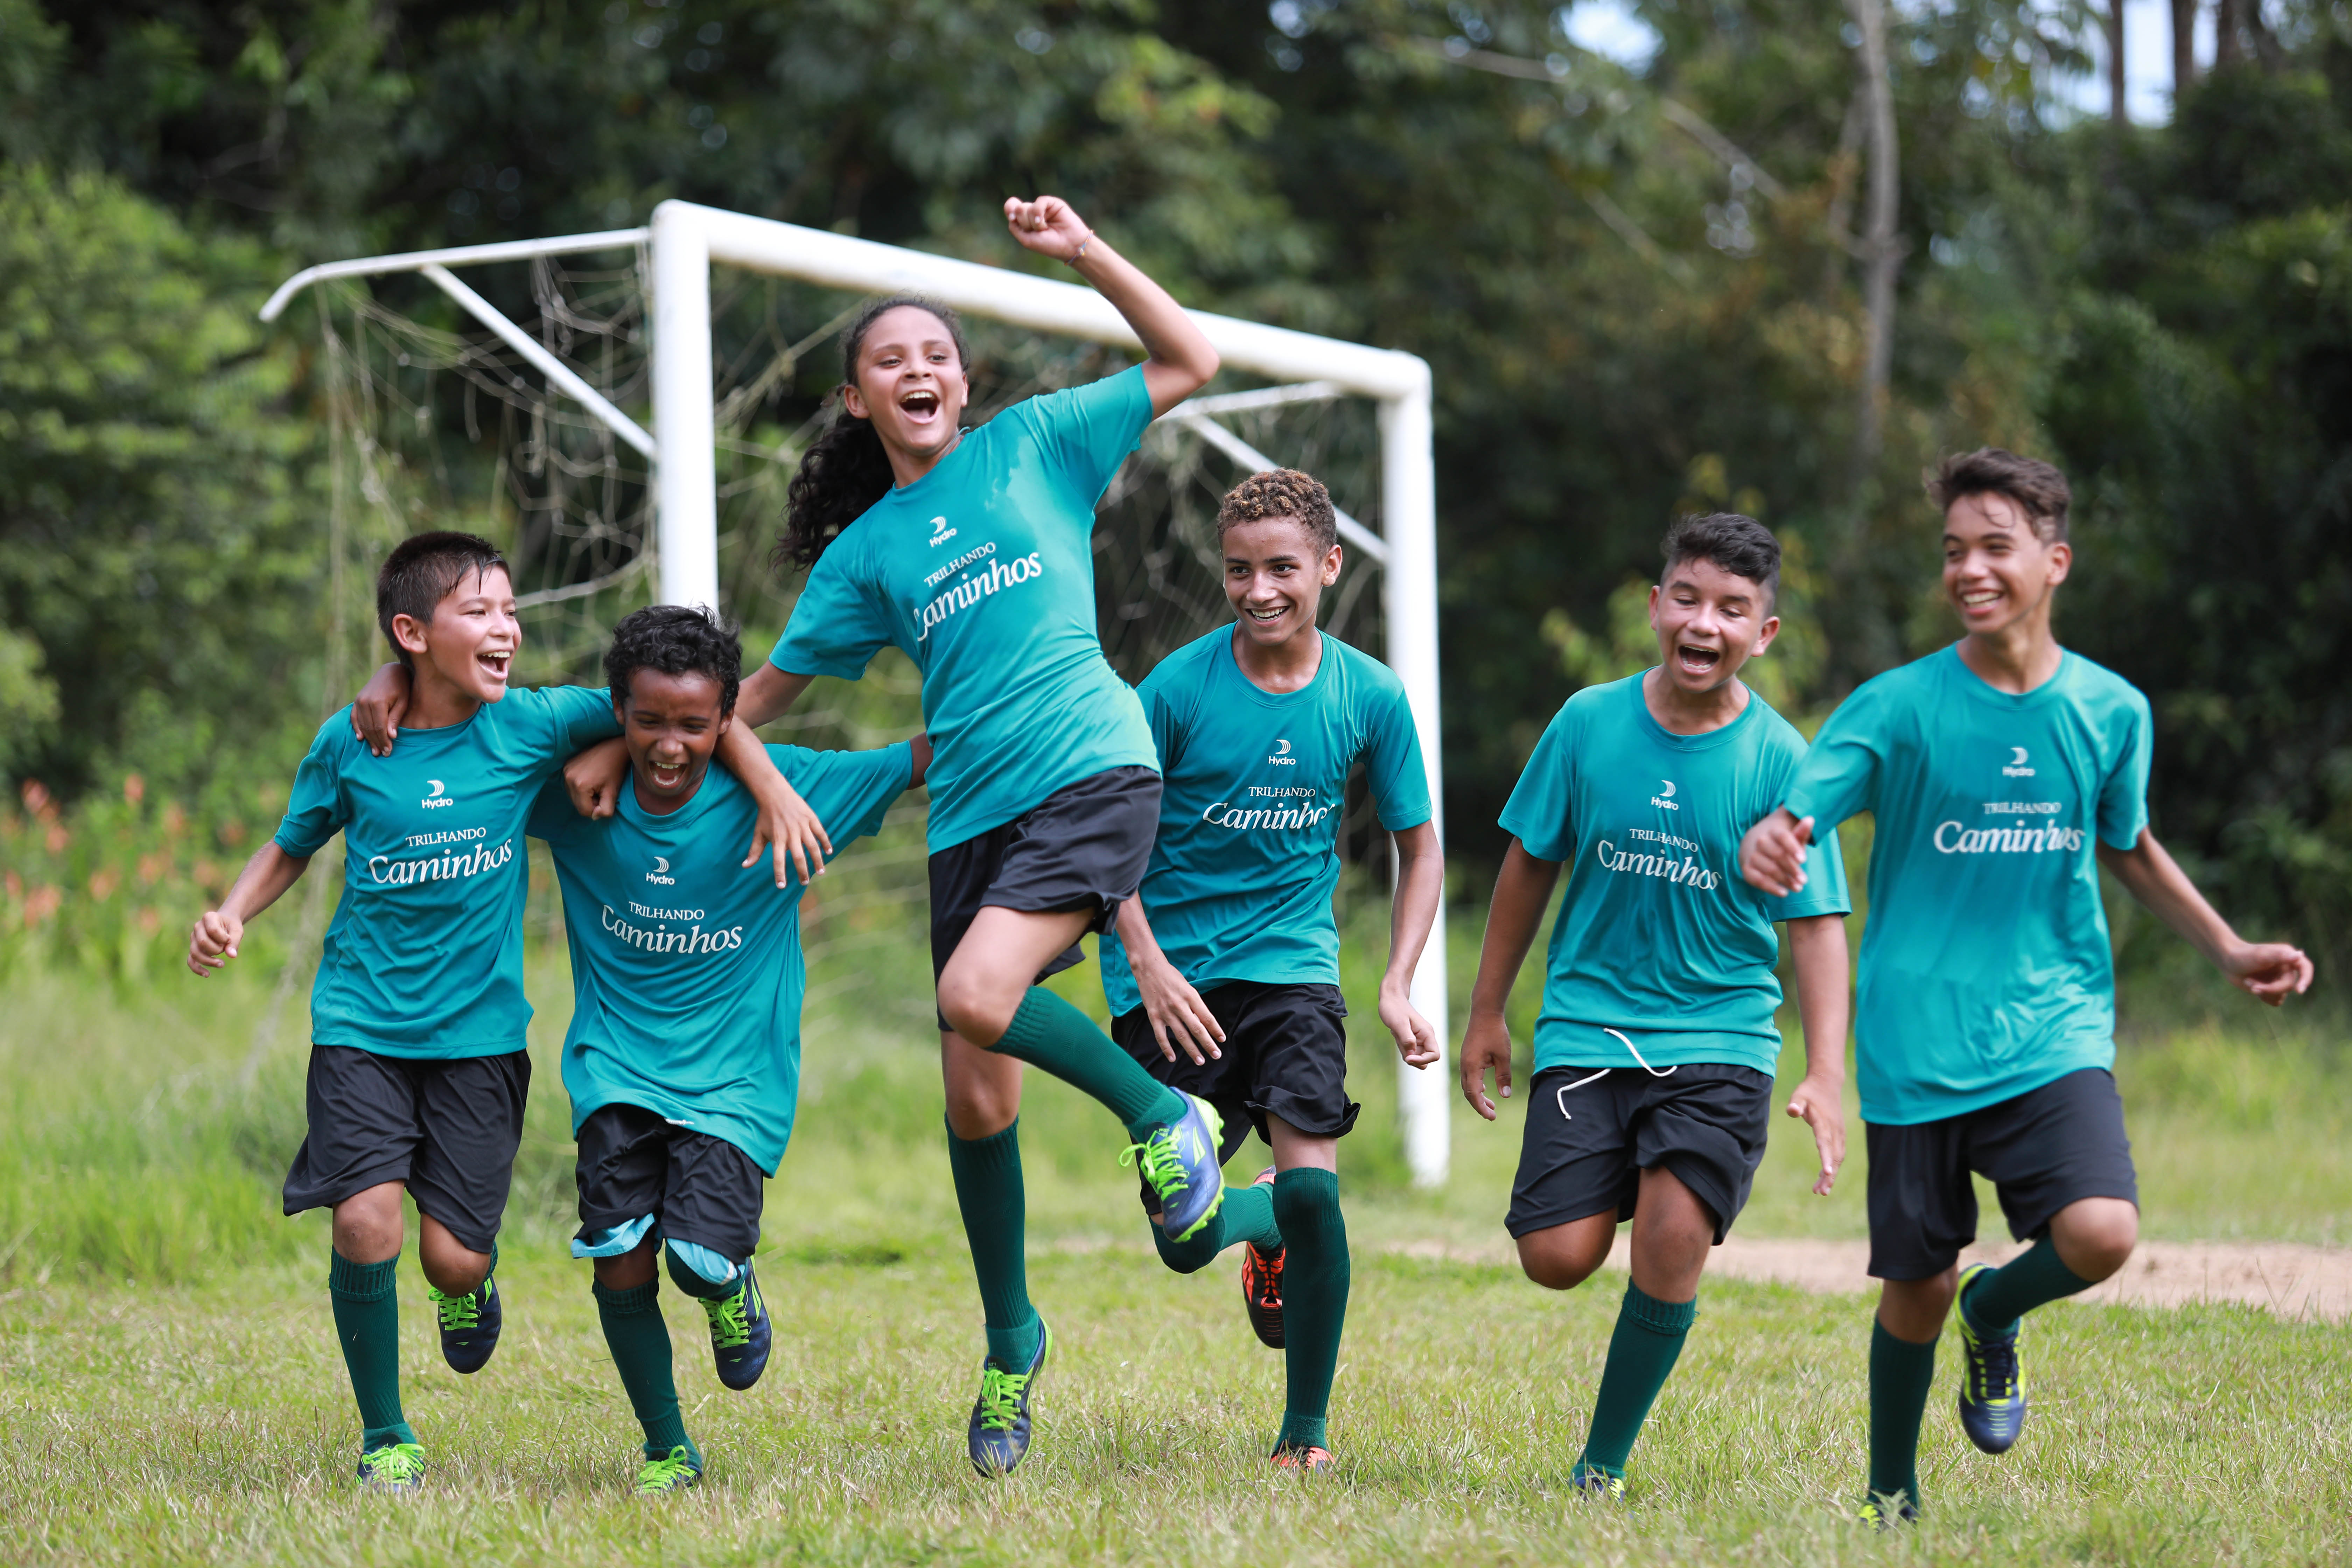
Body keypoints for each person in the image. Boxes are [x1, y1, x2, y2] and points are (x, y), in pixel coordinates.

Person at [564, 195, 1226, 1476]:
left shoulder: (1042, 441)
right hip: (969, 813)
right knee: (978, 1104)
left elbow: (1190, 361)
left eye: (935, 352)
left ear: (964, 382)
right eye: (888, 360)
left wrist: (1085, 253)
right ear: (859, 401)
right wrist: (627, 741)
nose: (917, 368)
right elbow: (748, 699)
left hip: (1092, 764)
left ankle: (1165, 1119)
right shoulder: (865, 555)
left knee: (977, 996)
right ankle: (1013, 1342)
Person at [1738, 450, 2314, 1526]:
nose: (1970, 569)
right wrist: (1779, 831)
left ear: (2054, 561)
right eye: (1954, 550)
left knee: (2101, 1232)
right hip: (1915, 1039)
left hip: (2056, 1023)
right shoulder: (1900, 705)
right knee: (1916, 1287)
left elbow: (2128, 843)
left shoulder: (2111, 710)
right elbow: (1805, 799)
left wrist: (2229, 951)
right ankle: (1889, 1496)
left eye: (1995, 546)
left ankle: (1995, 1316)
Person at [1458, 513, 1853, 1498]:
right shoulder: (1588, 724)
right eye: (1689, 598)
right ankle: (1640, 1171)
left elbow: (1816, 925)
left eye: (1733, 609)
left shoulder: (1780, 760)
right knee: (1555, 1258)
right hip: (1591, 1025)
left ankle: (1602, 1465)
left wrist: (1824, 1072)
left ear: (1764, 633)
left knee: (1674, 1237)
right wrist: (1486, 1013)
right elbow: (1527, 865)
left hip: (1721, 1034)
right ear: (1655, 607)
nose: (1704, 623)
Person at [526, 605, 923, 1496]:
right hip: (614, 1070)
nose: (671, 746)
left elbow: (923, 758)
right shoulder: (574, 796)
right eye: (647, 721)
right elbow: (475, 733)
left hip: (735, 1084)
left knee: (697, 1260)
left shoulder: (787, 789)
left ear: (731, 719)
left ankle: (732, 1285)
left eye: (697, 726)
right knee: (619, 1252)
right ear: (617, 710)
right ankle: (667, 1446)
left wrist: (1062, 718)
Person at [1097, 468, 1443, 1474]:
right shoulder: (1175, 689)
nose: (1260, 590)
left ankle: (1306, 1435)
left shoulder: (1369, 695)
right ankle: (1256, 1228)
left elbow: (1418, 849)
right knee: (1184, 1236)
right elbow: (1106, 838)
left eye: (1283, 568)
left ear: (1329, 567)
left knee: (1319, 1195)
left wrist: (1395, 982)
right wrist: (1146, 959)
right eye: (1241, 570)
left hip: (1295, 971)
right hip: (1171, 985)